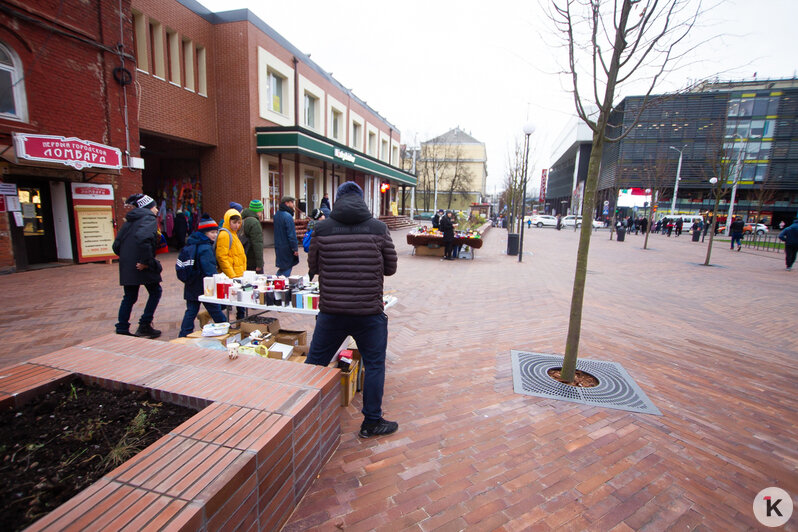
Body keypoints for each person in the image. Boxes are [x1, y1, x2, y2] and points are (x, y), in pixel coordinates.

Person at [304, 181, 398, 438]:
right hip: (369, 312)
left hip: (332, 311)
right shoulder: (378, 228)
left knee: (315, 363)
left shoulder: (321, 228)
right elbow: (390, 268)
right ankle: (371, 422)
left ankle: (298, 414)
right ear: (361, 199)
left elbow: (314, 266)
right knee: (375, 364)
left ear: (337, 199)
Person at [112, 194, 163, 338]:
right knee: (155, 291)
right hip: (141, 264)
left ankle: (122, 328)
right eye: (154, 206)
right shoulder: (148, 218)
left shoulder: (130, 221)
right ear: (148, 207)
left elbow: (116, 246)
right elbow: (143, 239)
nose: (157, 209)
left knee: (129, 296)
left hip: (128, 264)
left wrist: (128, 257)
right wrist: (146, 262)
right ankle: (145, 324)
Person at [178, 214, 228, 336]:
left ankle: (184, 334)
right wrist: (216, 282)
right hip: (205, 286)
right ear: (204, 232)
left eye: (216, 232)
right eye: (212, 232)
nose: (215, 235)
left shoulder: (192, 243)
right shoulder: (205, 248)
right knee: (215, 310)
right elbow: (209, 269)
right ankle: (227, 331)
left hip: (191, 283)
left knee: (191, 311)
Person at [216, 208, 247, 319]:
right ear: (228, 221)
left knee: (239, 299)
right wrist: (231, 274)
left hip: (238, 273)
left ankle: (240, 317)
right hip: (232, 274)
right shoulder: (225, 234)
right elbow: (222, 257)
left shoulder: (234, 234)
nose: (237, 225)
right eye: (234, 222)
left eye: (239, 223)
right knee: (230, 299)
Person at [274, 195, 299, 277]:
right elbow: (291, 234)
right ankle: (278, 282)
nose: (293, 205)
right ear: (287, 203)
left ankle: (277, 280)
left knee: (283, 267)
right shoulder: (287, 216)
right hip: (287, 247)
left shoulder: (277, 215)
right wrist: (295, 248)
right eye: (292, 202)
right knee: (287, 268)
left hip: (279, 245)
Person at [241, 199, 265, 273]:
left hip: (244, 256)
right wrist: (259, 264)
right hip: (252, 259)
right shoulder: (254, 223)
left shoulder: (243, 219)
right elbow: (258, 244)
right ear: (258, 211)